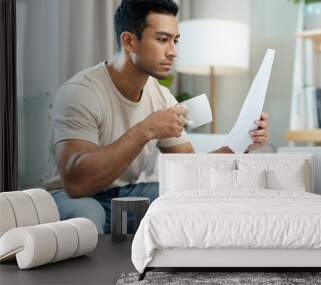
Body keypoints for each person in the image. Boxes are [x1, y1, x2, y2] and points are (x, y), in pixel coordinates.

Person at [43, 0, 269, 234]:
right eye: (162, 39)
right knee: (89, 214)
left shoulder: (162, 97)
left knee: (189, 195)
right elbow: (76, 183)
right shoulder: (81, 92)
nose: (173, 51)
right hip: (68, 195)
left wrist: (242, 143)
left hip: (123, 195)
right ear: (129, 41)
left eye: (175, 40)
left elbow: (191, 168)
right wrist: (145, 130)